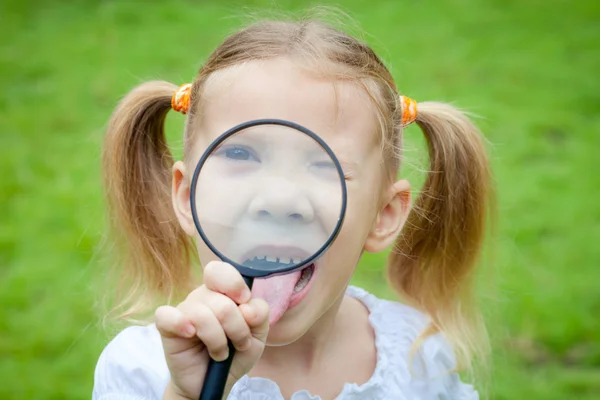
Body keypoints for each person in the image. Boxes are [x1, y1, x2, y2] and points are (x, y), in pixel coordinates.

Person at [93, 14, 493, 400]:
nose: (279, 200)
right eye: (240, 153)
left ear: (382, 215)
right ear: (186, 196)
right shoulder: (143, 370)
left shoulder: (420, 357)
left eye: (323, 165)